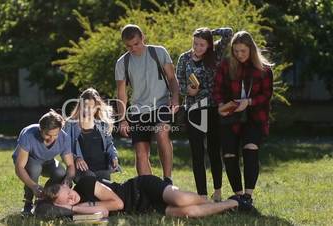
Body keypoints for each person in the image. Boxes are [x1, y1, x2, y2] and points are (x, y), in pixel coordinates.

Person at [213, 31, 273, 205]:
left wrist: (250, 101)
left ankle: (248, 195)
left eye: (243, 51)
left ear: (251, 50)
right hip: (230, 116)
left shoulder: (264, 70)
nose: (239, 54)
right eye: (236, 51)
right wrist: (221, 105)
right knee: (229, 155)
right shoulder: (225, 65)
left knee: (250, 150)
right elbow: (217, 90)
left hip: (254, 116)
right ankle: (239, 196)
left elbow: (267, 94)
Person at [115, 24, 180, 184]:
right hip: (138, 110)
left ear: (142, 37)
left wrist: (176, 97)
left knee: (161, 132)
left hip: (161, 105)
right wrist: (122, 119)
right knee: (141, 153)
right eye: (129, 46)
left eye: (136, 44)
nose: (133, 48)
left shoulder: (158, 52)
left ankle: (167, 180)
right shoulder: (122, 62)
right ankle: (149, 188)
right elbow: (121, 93)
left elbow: (172, 78)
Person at [176, 27, 233, 201]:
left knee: (215, 151)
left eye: (202, 44)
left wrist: (210, 32)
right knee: (197, 153)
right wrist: (188, 91)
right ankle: (202, 195)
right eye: (195, 43)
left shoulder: (215, 54)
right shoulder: (184, 58)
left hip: (213, 109)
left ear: (209, 45)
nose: (197, 47)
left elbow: (228, 33)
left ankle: (217, 191)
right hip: (193, 110)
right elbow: (179, 84)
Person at [37, 175, 253, 219]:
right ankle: (234, 203)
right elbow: (102, 212)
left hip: (143, 187)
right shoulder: (75, 208)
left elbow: (117, 203)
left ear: (67, 185)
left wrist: (76, 208)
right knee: (189, 213)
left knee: (181, 200)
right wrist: (72, 210)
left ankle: (230, 200)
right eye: (64, 202)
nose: (70, 199)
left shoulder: (85, 182)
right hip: (144, 208)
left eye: (68, 193)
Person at [12, 110, 75, 215]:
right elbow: (19, 167)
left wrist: (68, 180)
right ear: (40, 129)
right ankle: (28, 203)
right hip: (28, 160)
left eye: (55, 135)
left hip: (47, 161)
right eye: (47, 135)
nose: (51, 139)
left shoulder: (64, 138)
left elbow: (70, 165)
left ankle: (44, 199)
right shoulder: (28, 134)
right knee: (35, 168)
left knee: (60, 172)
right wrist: (33, 186)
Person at [63, 88, 120, 182]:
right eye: (85, 106)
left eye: (91, 107)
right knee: (91, 184)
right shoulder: (70, 124)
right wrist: (76, 158)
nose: (87, 110)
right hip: (83, 170)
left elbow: (110, 144)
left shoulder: (102, 123)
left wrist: (113, 156)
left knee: (106, 192)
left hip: (102, 169)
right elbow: (65, 148)